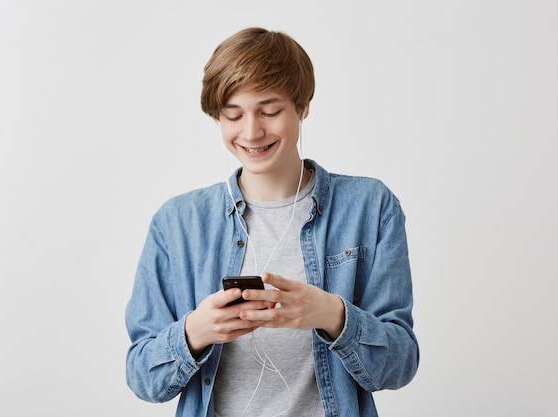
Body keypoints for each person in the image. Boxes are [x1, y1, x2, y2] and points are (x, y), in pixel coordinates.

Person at [125, 27, 419, 417]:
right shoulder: (177, 223)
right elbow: (142, 376)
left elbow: (400, 365)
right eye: (233, 115)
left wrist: (333, 316)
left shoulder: (370, 206)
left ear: (303, 105)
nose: (251, 132)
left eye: (270, 111)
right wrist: (197, 330)